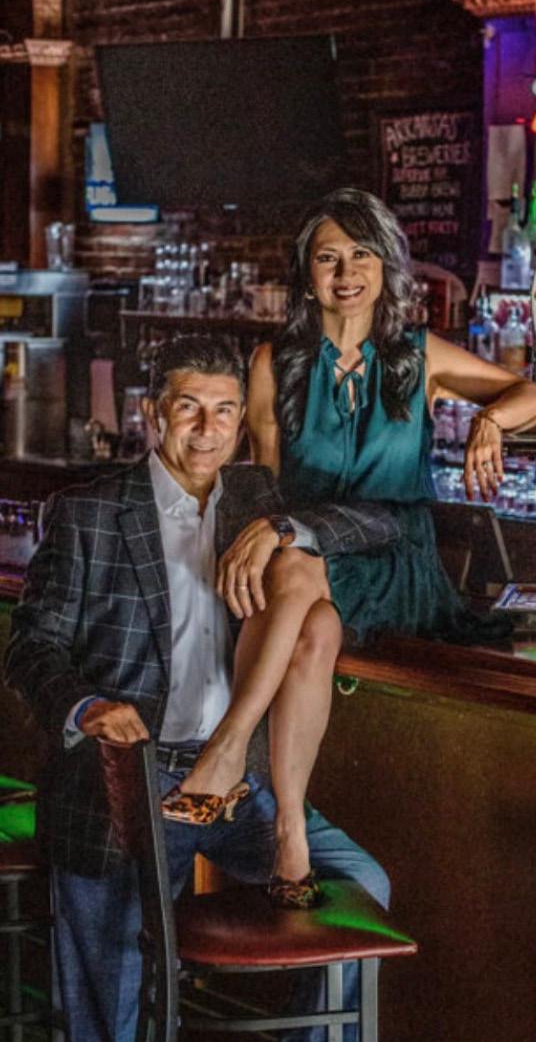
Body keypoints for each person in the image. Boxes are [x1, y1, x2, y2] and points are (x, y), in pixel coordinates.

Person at [4, 334, 397, 1042]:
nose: (207, 428)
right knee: (112, 1017)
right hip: (125, 787)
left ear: (242, 420)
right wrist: (88, 708)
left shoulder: (256, 497)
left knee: (362, 888)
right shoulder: (88, 512)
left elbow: (381, 521)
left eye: (224, 410)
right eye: (189, 408)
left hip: (240, 791)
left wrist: (283, 527)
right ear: (154, 414)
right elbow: (31, 647)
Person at [167, 187, 536, 907]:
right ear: (306, 272)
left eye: (361, 255)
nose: (346, 273)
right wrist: (248, 543)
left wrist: (490, 421)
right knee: (313, 627)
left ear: (385, 267)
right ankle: (290, 831)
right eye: (328, 258)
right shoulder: (273, 362)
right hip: (302, 564)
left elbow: (534, 394)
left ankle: (228, 748)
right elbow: (266, 485)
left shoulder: (418, 356)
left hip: (393, 558)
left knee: (296, 561)